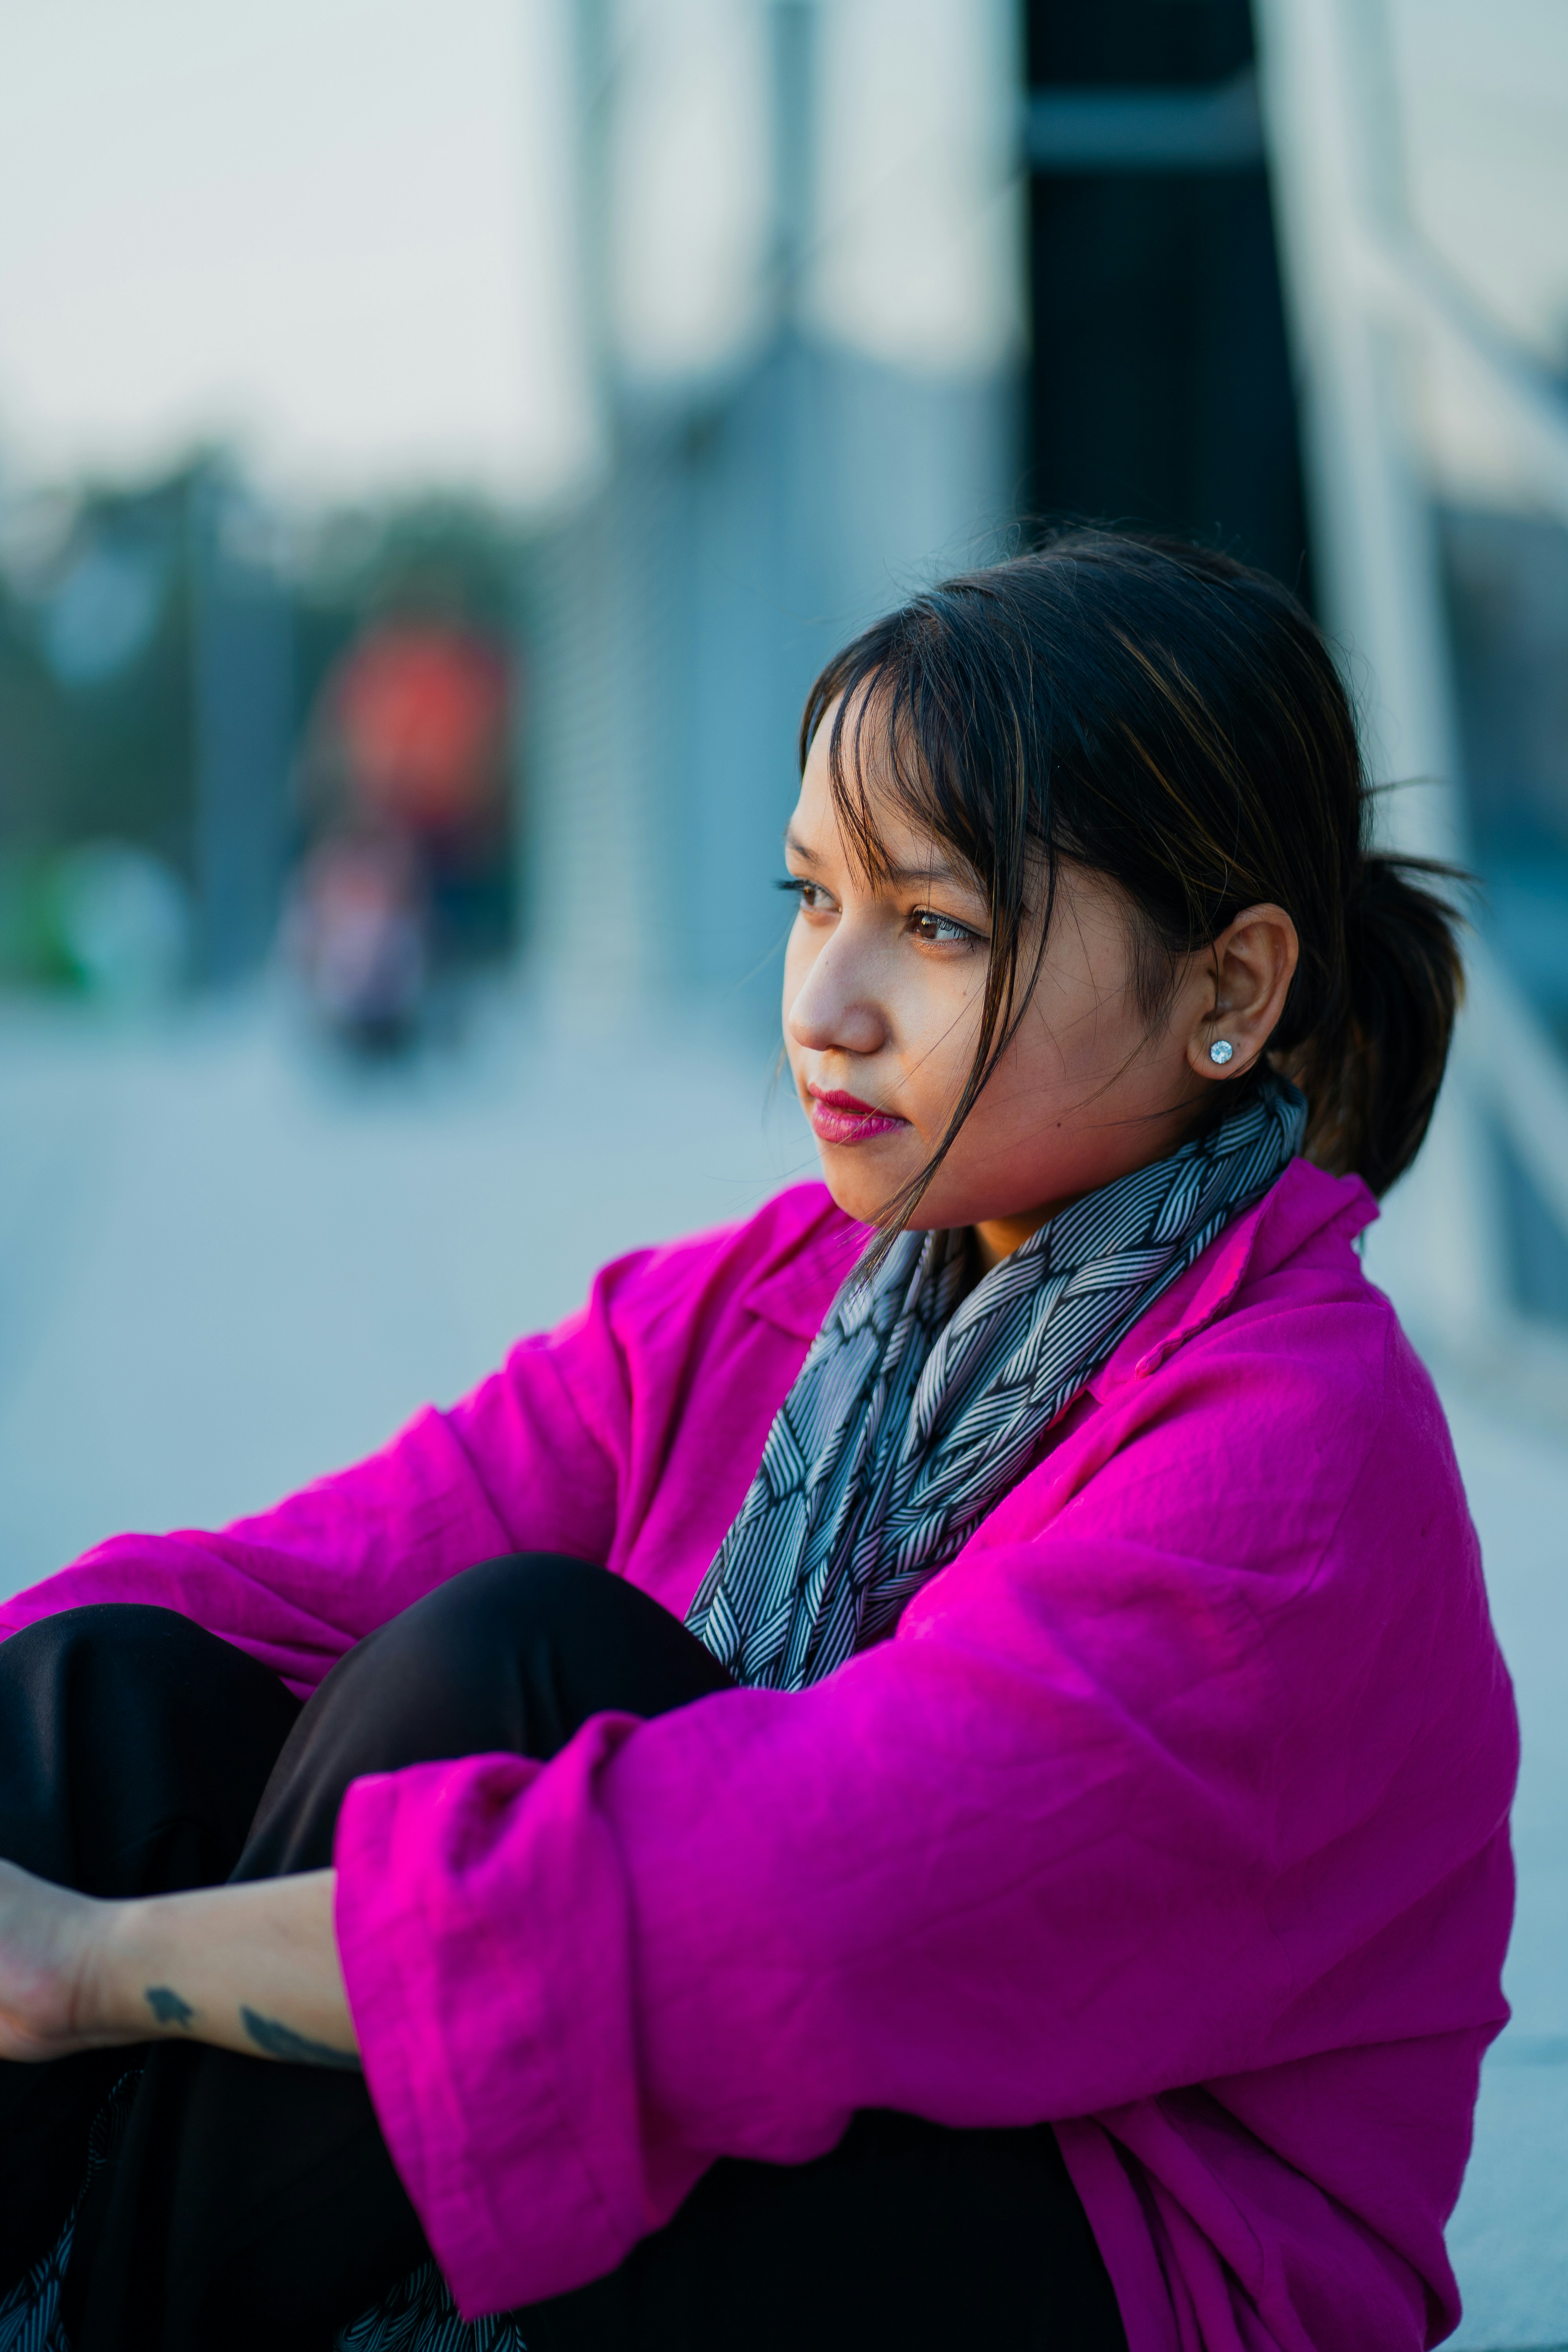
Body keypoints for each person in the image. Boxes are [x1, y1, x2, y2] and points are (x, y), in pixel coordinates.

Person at [0, 535, 1518, 2352]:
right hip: (812, 2042)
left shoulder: (1290, 1463)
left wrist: (97, 1973)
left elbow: (778, 1903)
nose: (824, 1002)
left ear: (1228, 991)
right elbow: (298, 1579)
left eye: (937, 925)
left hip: (1107, 2238)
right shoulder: (794, 1287)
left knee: (513, 1674)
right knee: (114, 1691)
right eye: (813, 898)